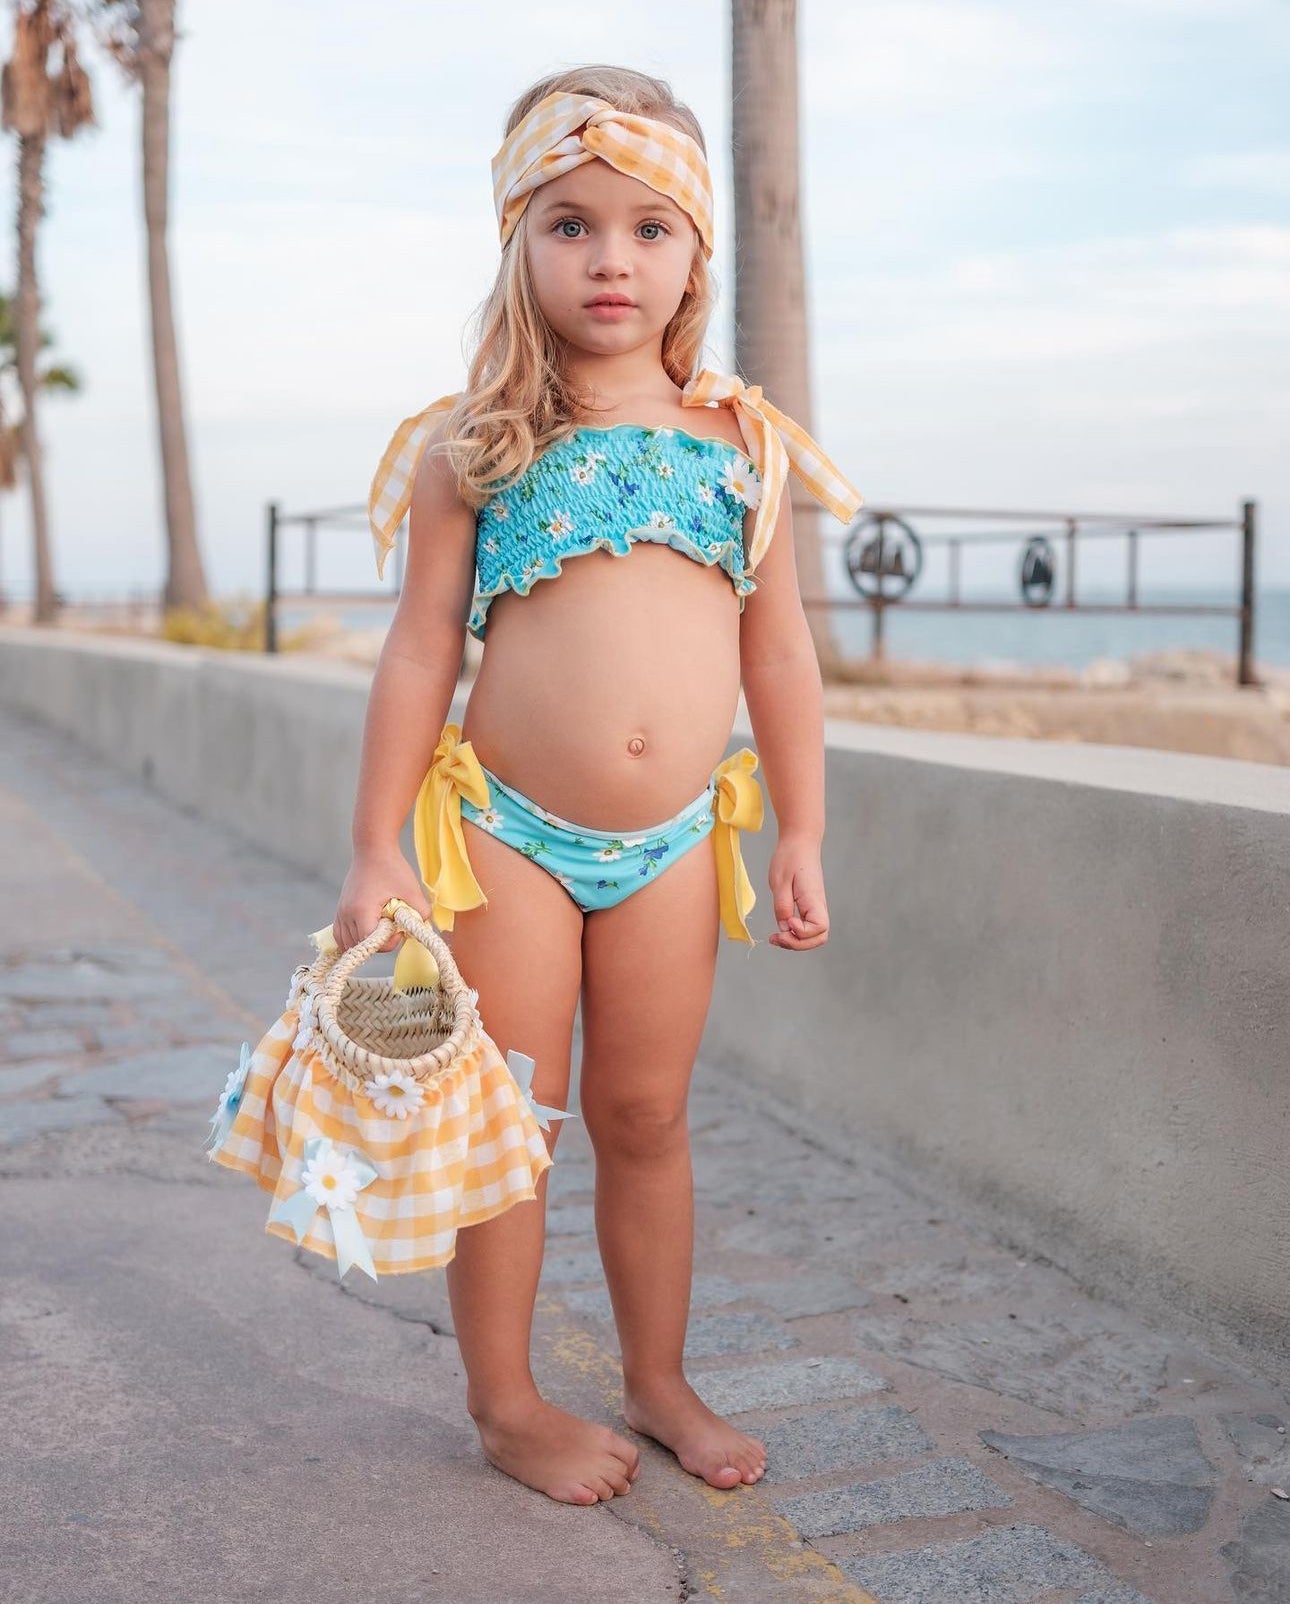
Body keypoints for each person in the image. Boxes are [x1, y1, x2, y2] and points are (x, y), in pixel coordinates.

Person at [332, 65, 862, 1508]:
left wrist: (801, 828)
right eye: (569, 225)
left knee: (646, 1117)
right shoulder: (478, 442)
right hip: (505, 832)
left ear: (695, 254)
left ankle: (656, 1375)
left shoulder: (740, 443)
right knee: (516, 1112)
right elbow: (417, 650)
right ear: (518, 240)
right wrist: (376, 844)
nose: (611, 258)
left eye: (648, 228)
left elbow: (784, 652)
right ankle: (503, 1401)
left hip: (679, 842)